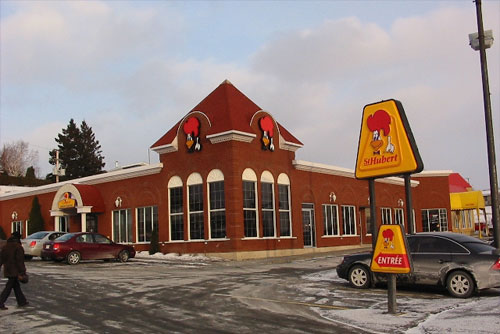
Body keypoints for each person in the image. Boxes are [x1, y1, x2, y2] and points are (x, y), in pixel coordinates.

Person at [0, 231, 29, 310]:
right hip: (15, 270)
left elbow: (1, 259)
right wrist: (22, 271)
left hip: (8, 269)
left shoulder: (5, 246)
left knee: (16, 286)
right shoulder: (18, 247)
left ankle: (22, 301)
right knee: (8, 287)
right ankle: (1, 302)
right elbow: (20, 261)